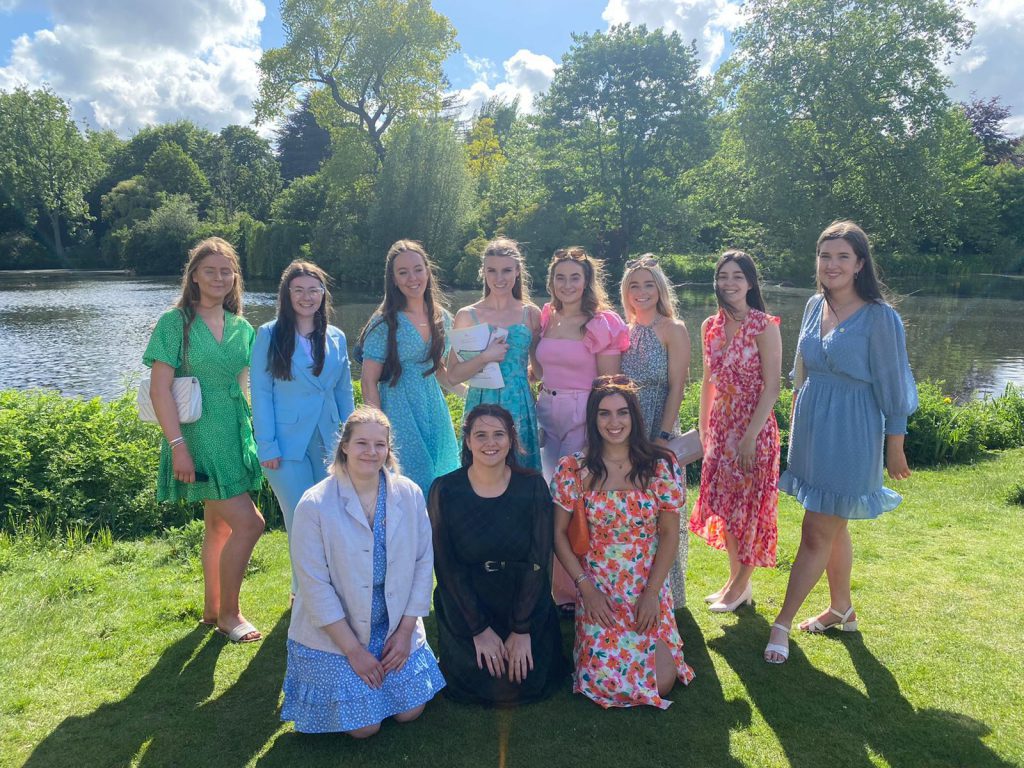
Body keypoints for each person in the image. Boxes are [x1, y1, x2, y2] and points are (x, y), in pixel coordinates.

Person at [765, 221, 917, 664]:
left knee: (816, 530)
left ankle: (782, 623)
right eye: (825, 256)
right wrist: (795, 416)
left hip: (853, 429)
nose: (831, 265)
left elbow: (893, 385)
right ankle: (841, 609)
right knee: (837, 522)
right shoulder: (815, 305)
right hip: (813, 427)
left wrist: (895, 444)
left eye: (842, 257)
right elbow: (802, 366)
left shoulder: (879, 317)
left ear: (860, 265)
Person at [281, 406, 445, 737]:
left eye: (379, 445)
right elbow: (314, 587)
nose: (371, 452)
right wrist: (354, 651)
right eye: (362, 444)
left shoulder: (409, 493)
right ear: (344, 446)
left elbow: (422, 563)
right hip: (338, 631)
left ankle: (388, 677)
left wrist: (405, 632)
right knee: (364, 728)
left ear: (388, 449)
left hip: (393, 623)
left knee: (409, 713)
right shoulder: (314, 504)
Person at [143, 237, 264, 643]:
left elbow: (247, 383)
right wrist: (178, 446)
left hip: (234, 430)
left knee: (219, 528)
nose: (218, 277)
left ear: (235, 278)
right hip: (197, 434)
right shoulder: (175, 322)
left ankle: (212, 609)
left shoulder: (242, 328)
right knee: (250, 524)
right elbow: (160, 390)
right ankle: (231, 615)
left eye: (226, 271)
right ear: (194, 275)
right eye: (210, 270)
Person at [551, 376, 696, 709]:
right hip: (597, 585)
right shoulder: (573, 469)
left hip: (647, 581)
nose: (614, 422)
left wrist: (651, 594)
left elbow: (670, 533)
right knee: (602, 682)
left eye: (622, 413)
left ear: (634, 416)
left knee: (662, 682)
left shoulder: (661, 467)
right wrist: (586, 589)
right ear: (593, 418)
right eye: (604, 414)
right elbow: (558, 534)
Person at [428, 404, 566, 706]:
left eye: (498, 434)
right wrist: (478, 629)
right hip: (468, 600)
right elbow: (446, 566)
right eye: (481, 435)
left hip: (522, 596)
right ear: (467, 441)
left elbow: (539, 560)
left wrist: (521, 629)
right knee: (477, 687)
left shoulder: (531, 486)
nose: (490, 443)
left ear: (511, 439)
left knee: (528, 684)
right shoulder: (445, 490)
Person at [251, 260, 355, 598]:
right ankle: (305, 592)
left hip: (328, 440)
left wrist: (352, 442)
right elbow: (262, 393)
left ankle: (332, 588)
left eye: (314, 290)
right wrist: (266, 446)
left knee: (332, 515)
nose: (307, 297)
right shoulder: (269, 334)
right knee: (301, 517)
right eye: (299, 290)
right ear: (287, 294)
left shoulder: (336, 337)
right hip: (286, 444)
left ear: (323, 294)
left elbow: (343, 391)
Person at [534, 246, 629, 607]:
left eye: (575, 277)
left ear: (587, 281)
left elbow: (610, 382)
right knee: (546, 497)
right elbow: (541, 366)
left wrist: (602, 426)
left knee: (574, 500)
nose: (568, 284)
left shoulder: (601, 322)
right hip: (546, 409)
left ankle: (576, 590)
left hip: (582, 411)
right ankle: (551, 586)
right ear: (552, 282)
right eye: (561, 277)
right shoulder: (547, 317)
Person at [690, 251, 782, 614]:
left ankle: (741, 583)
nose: (729, 283)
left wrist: (748, 436)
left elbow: (772, 386)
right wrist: (703, 428)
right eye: (723, 276)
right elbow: (708, 381)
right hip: (720, 425)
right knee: (726, 507)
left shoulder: (764, 325)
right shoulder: (709, 326)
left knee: (751, 509)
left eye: (737, 276)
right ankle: (735, 583)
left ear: (750, 282)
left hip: (753, 427)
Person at [358, 240, 460, 495]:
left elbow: (440, 373)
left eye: (417, 269)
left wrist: (475, 393)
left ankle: (437, 535)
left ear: (428, 271)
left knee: (443, 477)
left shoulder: (443, 318)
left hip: (434, 408)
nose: (412, 278)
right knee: (411, 481)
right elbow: (368, 381)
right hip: (400, 409)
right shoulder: (385, 322)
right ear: (393, 279)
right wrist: (377, 427)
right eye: (402, 272)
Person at [620, 254, 692, 607]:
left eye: (649, 284)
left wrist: (662, 436)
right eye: (635, 285)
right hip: (623, 428)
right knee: (632, 508)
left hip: (658, 424)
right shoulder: (623, 330)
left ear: (660, 289)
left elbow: (678, 386)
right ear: (626, 291)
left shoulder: (672, 329)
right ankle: (633, 586)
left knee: (662, 508)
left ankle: (669, 596)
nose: (642, 291)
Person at [446, 238, 543, 471]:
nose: (499, 278)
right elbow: (452, 376)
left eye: (507, 270)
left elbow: (539, 371)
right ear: (484, 273)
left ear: (518, 271)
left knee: (521, 472)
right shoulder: (467, 315)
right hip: (482, 402)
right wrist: (484, 357)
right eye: (492, 270)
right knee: (481, 471)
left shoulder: (531, 314)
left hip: (519, 404)